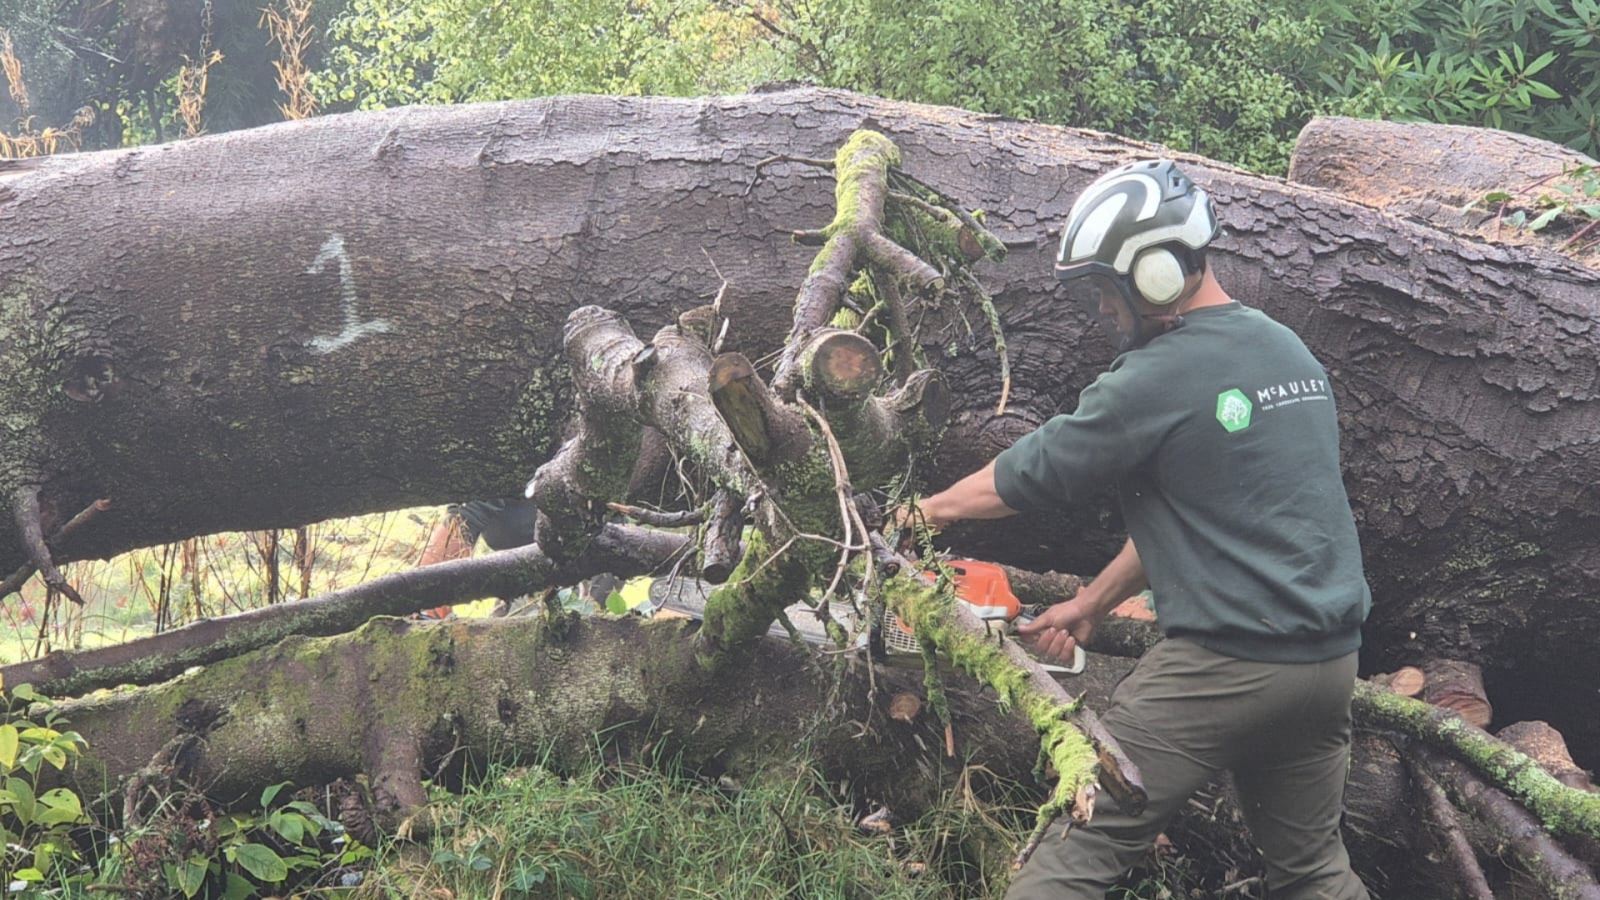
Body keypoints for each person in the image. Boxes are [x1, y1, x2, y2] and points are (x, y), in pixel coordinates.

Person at [910, 160, 1372, 899]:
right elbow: (1211, 521)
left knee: (1071, 857)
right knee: (1313, 872)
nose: (1101, 308)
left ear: (1156, 272)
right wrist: (1092, 602)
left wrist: (923, 513)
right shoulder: (1286, 351)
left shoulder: (1160, 374)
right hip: (1325, 668)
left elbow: (1033, 469)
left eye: (1105, 288)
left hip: (1226, 664)